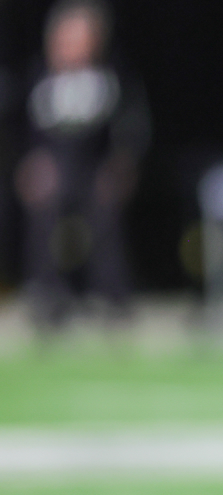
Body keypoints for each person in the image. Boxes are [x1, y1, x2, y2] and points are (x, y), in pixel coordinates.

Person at [15, 0, 149, 328]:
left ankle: (111, 298)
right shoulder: (38, 79)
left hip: (97, 167)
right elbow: (23, 133)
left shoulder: (112, 78)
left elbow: (130, 129)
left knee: (104, 208)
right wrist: (30, 164)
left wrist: (121, 165)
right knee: (44, 204)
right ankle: (47, 297)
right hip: (55, 167)